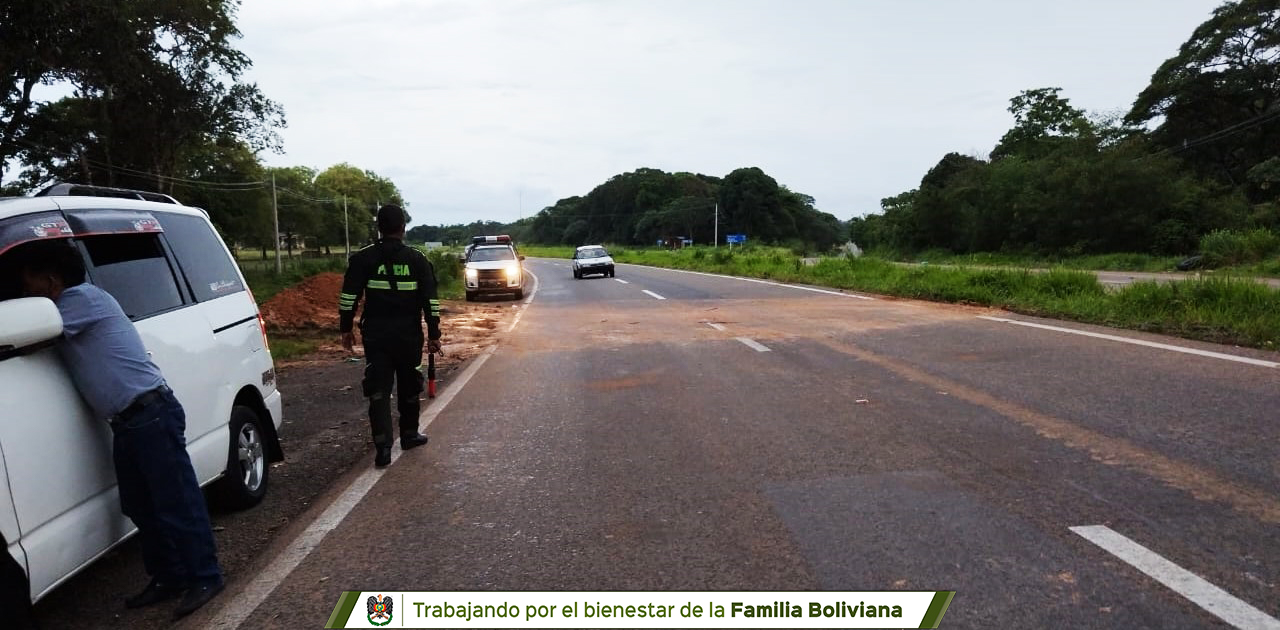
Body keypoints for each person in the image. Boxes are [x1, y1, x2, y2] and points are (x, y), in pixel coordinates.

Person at [14, 239, 224, 619]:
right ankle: (170, 576)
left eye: (27, 280)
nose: (25, 289)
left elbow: (32, 338)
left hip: (150, 414)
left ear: (49, 279)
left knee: (177, 502)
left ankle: (205, 576)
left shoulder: (79, 301)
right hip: (132, 421)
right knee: (141, 504)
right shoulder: (75, 304)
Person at [339, 204, 443, 467]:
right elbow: (431, 301)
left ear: (379, 228)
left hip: (376, 336)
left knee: (379, 391)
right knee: (410, 386)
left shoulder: (363, 259)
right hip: (408, 337)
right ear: (403, 228)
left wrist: (345, 328)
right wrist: (434, 334)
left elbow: (348, 297)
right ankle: (409, 435)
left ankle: (383, 449)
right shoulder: (417, 260)